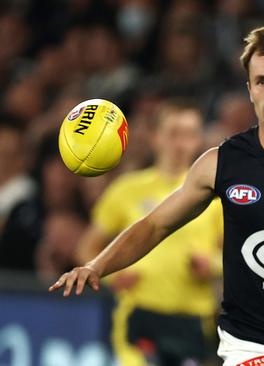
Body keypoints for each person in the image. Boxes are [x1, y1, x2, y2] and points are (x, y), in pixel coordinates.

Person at [50, 25, 264, 366]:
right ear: (250, 90)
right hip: (248, 346)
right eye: (262, 81)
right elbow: (155, 225)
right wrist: (97, 266)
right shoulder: (220, 163)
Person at [75, 99, 223, 366]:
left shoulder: (214, 196)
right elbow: (87, 247)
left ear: (199, 140)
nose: (181, 144)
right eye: (173, 134)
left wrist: (212, 264)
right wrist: (113, 276)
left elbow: (238, 255)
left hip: (191, 319)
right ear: (155, 137)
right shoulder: (127, 189)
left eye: (189, 135)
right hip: (139, 313)